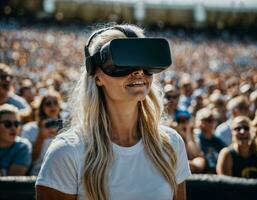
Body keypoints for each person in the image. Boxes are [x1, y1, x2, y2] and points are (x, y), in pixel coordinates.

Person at [36, 24, 191, 200]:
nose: (138, 71)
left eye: (144, 60)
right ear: (98, 77)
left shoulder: (171, 144)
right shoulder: (67, 153)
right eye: (124, 60)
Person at [21, 90, 62, 175]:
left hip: (62, 173)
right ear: (42, 107)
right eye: (48, 103)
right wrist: (41, 137)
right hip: (38, 173)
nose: (52, 106)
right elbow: (30, 159)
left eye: (55, 102)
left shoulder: (67, 127)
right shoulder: (29, 129)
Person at [0, 104, 32, 176]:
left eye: (17, 124)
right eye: (8, 124)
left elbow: (12, 180)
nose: (13, 128)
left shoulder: (22, 146)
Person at [194, 107, 226, 173]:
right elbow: (196, 154)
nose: (212, 123)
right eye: (208, 120)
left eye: (214, 120)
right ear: (200, 121)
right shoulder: (195, 137)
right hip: (202, 173)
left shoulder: (216, 139)